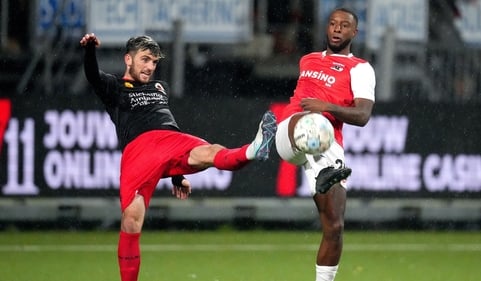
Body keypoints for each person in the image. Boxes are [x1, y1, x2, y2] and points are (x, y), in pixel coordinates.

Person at [79, 33, 277, 281]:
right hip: (140, 149)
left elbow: (164, 120)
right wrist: (89, 50)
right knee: (131, 221)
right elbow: (92, 75)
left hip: (172, 140)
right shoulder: (113, 86)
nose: (150, 67)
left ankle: (253, 149)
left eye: (154, 62)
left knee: (211, 152)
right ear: (128, 59)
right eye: (145, 59)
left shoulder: (161, 87)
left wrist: (176, 174)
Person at [274, 8, 375, 281]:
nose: (337, 29)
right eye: (333, 24)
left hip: (329, 145)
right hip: (292, 131)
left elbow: (363, 115)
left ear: (354, 32)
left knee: (335, 226)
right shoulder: (308, 60)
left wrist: (326, 106)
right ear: (327, 28)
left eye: (344, 25)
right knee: (313, 122)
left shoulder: (361, 69)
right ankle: (270, 140)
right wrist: (318, 110)